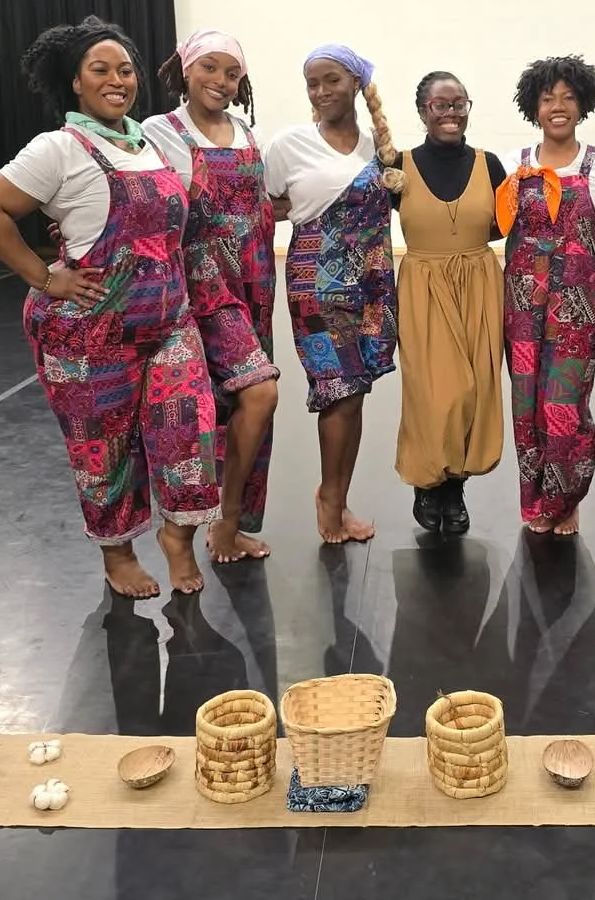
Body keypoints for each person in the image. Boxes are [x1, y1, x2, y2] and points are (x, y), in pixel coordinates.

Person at [0, 16, 220, 600]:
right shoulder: (59, 148)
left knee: (190, 434)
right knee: (103, 450)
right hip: (87, 336)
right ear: (75, 82)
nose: (116, 80)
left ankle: (178, 537)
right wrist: (43, 276)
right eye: (100, 70)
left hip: (168, 323)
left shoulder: (151, 142)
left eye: (125, 70)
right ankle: (119, 554)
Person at [145, 30, 279, 564]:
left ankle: (236, 521)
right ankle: (213, 524)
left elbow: (259, 204)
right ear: (185, 69)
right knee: (255, 393)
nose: (220, 82)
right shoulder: (160, 131)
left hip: (254, 281)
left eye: (231, 73)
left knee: (240, 405)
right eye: (210, 68)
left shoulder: (245, 129)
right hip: (200, 283)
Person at [264, 45, 400, 544]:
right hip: (317, 284)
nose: (321, 92)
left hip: (371, 283)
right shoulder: (290, 144)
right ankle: (329, 499)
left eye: (332, 81)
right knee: (337, 391)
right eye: (313, 84)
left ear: (357, 85)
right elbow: (263, 205)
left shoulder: (377, 149)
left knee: (355, 392)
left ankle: (337, 496)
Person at [501, 55, 595, 536]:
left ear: (583, 103)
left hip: (578, 306)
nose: (558, 106)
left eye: (568, 97)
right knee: (526, 400)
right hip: (524, 304)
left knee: (565, 401)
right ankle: (535, 499)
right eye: (548, 97)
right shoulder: (515, 164)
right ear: (533, 105)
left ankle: (566, 496)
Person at [393, 71, 506, 536]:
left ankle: (454, 486)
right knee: (437, 392)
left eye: (460, 103)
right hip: (422, 286)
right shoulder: (397, 168)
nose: (452, 113)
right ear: (423, 111)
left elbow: (507, 224)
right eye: (441, 104)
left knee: (475, 390)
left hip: (480, 282)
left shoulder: (490, 164)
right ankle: (428, 483)